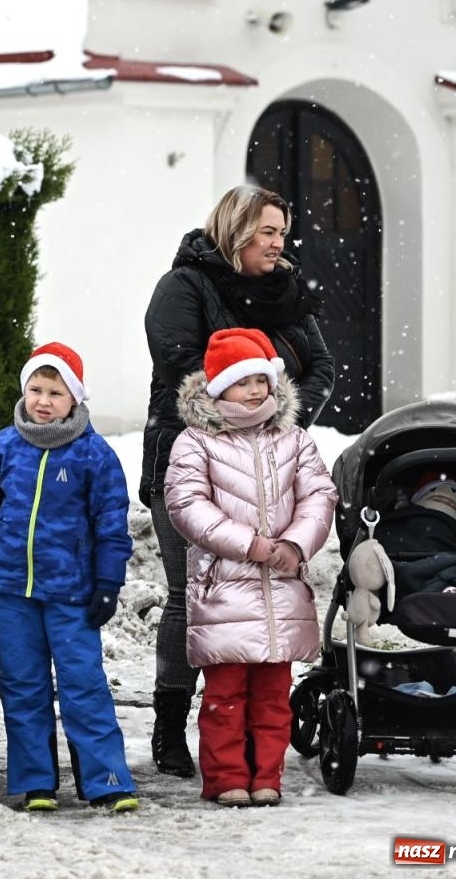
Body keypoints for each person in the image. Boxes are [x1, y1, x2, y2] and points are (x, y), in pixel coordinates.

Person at [140, 184, 335, 778]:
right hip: (191, 465)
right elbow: (184, 365)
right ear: (235, 231)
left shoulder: (289, 291)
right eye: (268, 232)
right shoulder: (185, 287)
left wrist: (273, 415)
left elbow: (320, 370)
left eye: (282, 232)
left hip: (270, 473)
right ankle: (170, 726)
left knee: (259, 600)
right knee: (190, 597)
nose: (279, 244)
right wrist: (262, 379)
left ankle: (248, 733)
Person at [0, 343, 139, 813]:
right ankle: (37, 783)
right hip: (12, 588)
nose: (43, 400)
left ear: (74, 398)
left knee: (83, 685)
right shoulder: (2, 446)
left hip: (72, 593)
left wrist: (108, 584)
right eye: (36, 388)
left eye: (56, 392)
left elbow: (111, 526)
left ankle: (107, 780)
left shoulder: (94, 455)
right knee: (23, 685)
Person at [163, 328, 337, 807]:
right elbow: (186, 504)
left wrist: (297, 544)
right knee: (224, 698)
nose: (257, 390)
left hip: (280, 589)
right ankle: (225, 778)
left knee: (272, 698)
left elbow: (319, 496)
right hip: (224, 591)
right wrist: (250, 545)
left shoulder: (294, 439)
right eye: (244, 382)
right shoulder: (196, 442)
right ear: (219, 388)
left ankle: (267, 777)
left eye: (263, 379)